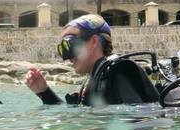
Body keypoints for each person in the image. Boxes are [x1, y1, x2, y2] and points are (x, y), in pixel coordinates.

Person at [24, 13, 168, 106]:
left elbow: (138, 121)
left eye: (70, 45)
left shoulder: (118, 71)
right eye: (63, 49)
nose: (67, 57)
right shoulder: (95, 79)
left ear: (94, 42)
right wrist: (44, 92)